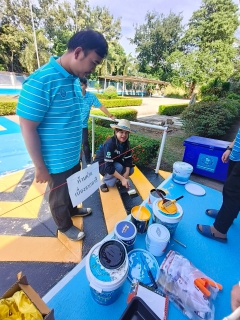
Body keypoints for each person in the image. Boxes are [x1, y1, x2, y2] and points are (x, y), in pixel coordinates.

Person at [16, 29, 108, 241]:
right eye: (93, 62)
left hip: (72, 155)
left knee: (73, 189)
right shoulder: (42, 81)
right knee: (58, 198)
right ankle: (64, 225)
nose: (93, 69)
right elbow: (27, 128)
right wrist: (40, 167)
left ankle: (74, 211)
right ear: (78, 52)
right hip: (55, 163)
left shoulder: (73, 79)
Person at [196, 132, 240, 243]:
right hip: (236, 155)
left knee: (232, 191)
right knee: (232, 189)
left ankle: (219, 231)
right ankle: (227, 215)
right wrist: (230, 148)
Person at [80, 77, 116, 166]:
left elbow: (100, 106)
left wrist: (110, 115)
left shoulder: (91, 96)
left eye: (81, 85)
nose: (79, 87)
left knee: (85, 143)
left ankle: (88, 162)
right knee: (73, 145)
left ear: (85, 86)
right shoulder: (73, 95)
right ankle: (76, 162)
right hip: (72, 126)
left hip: (83, 125)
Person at [94, 119, 135, 192]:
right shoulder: (110, 144)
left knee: (130, 170)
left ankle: (117, 178)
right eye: (121, 132)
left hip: (114, 162)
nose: (124, 135)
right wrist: (123, 179)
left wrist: (126, 173)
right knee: (118, 167)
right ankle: (103, 181)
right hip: (102, 165)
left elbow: (128, 159)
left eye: (126, 133)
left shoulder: (126, 144)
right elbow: (108, 167)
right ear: (116, 132)